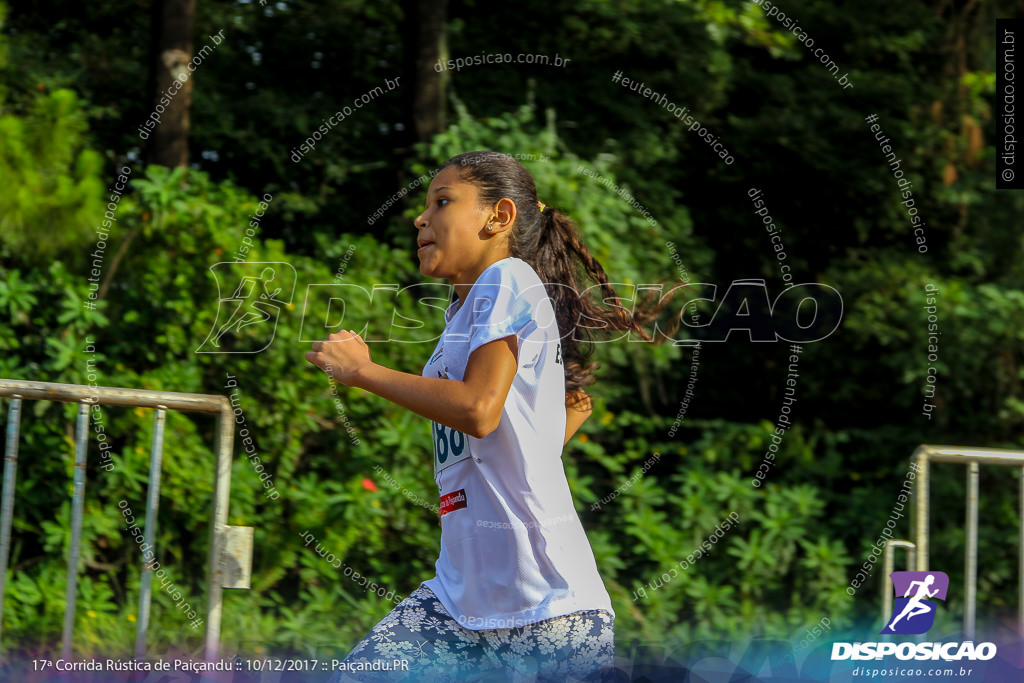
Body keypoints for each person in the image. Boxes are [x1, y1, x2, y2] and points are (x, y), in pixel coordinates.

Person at [306, 151, 667, 681]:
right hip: (460, 600)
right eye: (425, 205)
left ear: (498, 218)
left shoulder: (507, 278)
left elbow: (478, 410)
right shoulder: (462, 315)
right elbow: (516, 429)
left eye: (443, 201)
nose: (420, 218)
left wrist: (362, 371)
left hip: (548, 610)